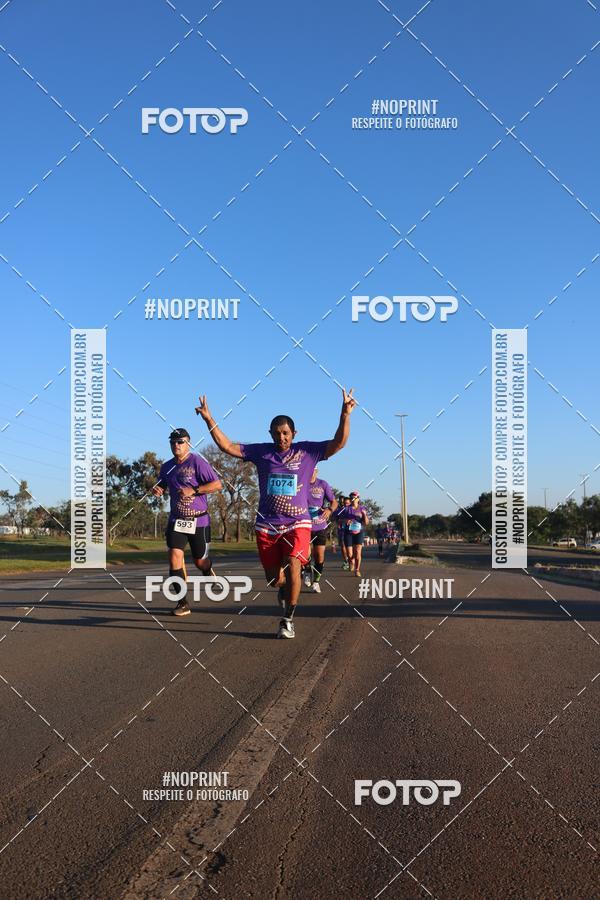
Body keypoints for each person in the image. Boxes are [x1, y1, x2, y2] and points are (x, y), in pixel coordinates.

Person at [196, 388, 357, 639]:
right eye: (277, 433)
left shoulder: (307, 451)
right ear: (270, 434)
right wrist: (209, 419)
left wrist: (345, 414)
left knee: (293, 564)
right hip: (267, 525)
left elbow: (338, 444)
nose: (282, 437)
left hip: (298, 523)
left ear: (294, 434)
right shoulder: (261, 452)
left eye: (286, 433)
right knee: (274, 581)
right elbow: (227, 446)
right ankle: (284, 588)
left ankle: (288, 619)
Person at [152, 428, 222, 616]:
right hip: (177, 519)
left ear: (188, 444)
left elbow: (217, 484)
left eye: (180, 442)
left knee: (200, 561)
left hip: (199, 521)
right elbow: (162, 484)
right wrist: (158, 489)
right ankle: (182, 603)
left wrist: (194, 490)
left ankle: (207, 571)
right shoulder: (167, 467)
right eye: (173, 442)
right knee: (174, 556)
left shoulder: (198, 462)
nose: (176, 445)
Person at [303, 468, 338, 593]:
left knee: (319, 556)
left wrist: (329, 510)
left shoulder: (323, 484)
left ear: (316, 471)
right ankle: (307, 571)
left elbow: (334, 502)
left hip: (320, 526)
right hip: (304, 526)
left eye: (313, 470)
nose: (310, 472)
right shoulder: (301, 483)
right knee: (305, 554)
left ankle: (316, 582)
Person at [338, 491, 369, 576]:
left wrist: (364, 515)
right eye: (350, 497)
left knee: (358, 551)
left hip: (359, 532)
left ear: (358, 499)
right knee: (350, 554)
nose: (352, 499)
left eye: (353, 498)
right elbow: (339, 520)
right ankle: (351, 562)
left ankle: (357, 569)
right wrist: (345, 520)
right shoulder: (346, 509)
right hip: (348, 532)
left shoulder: (362, 508)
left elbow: (366, 522)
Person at [335, 496, 352, 570]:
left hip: (351, 530)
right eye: (341, 501)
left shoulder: (350, 508)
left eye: (343, 501)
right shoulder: (338, 510)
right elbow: (335, 519)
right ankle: (346, 561)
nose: (342, 502)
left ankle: (351, 560)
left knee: (350, 547)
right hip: (341, 530)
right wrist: (340, 522)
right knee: (342, 546)